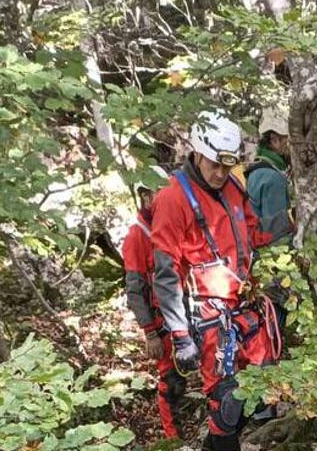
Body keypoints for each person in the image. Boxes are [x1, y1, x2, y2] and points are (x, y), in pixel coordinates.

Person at [151, 110, 278, 451]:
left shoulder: (233, 187)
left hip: (246, 306)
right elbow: (165, 273)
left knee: (264, 390)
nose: (221, 174)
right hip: (210, 316)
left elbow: (252, 235)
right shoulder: (172, 199)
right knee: (226, 402)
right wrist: (179, 335)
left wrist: (286, 234)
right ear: (197, 152)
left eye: (227, 165)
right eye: (214, 166)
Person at [123, 181, 186, 439]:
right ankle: (173, 437)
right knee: (170, 380)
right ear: (145, 197)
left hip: (182, 312)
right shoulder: (137, 236)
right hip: (161, 323)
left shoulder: (168, 226)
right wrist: (150, 333)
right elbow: (135, 289)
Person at [246, 105, 292, 244]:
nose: (291, 146)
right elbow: (277, 233)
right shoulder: (273, 179)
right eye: (288, 140)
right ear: (274, 140)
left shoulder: (258, 170)